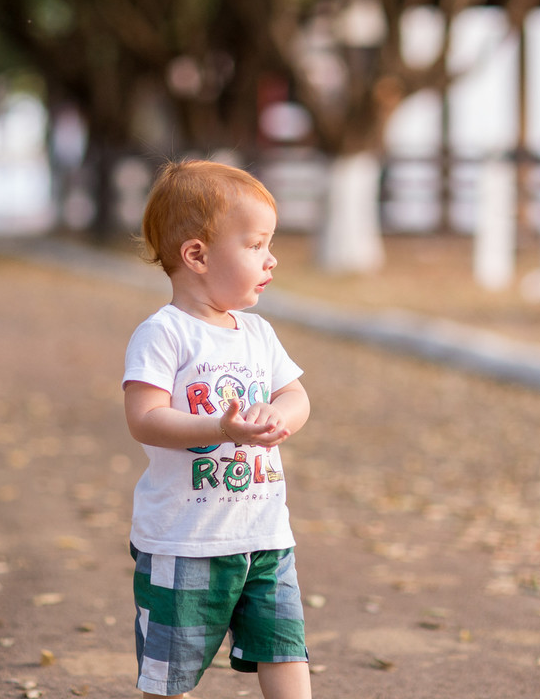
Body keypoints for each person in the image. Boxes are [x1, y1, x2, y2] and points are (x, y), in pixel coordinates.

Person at [122, 160, 313, 699]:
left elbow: (296, 395)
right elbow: (144, 418)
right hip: (185, 540)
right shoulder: (163, 334)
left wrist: (280, 415)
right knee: (171, 672)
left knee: (284, 648)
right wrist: (221, 427)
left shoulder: (258, 332)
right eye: (255, 245)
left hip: (266, 536)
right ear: (197, 256)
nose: (271, 258)